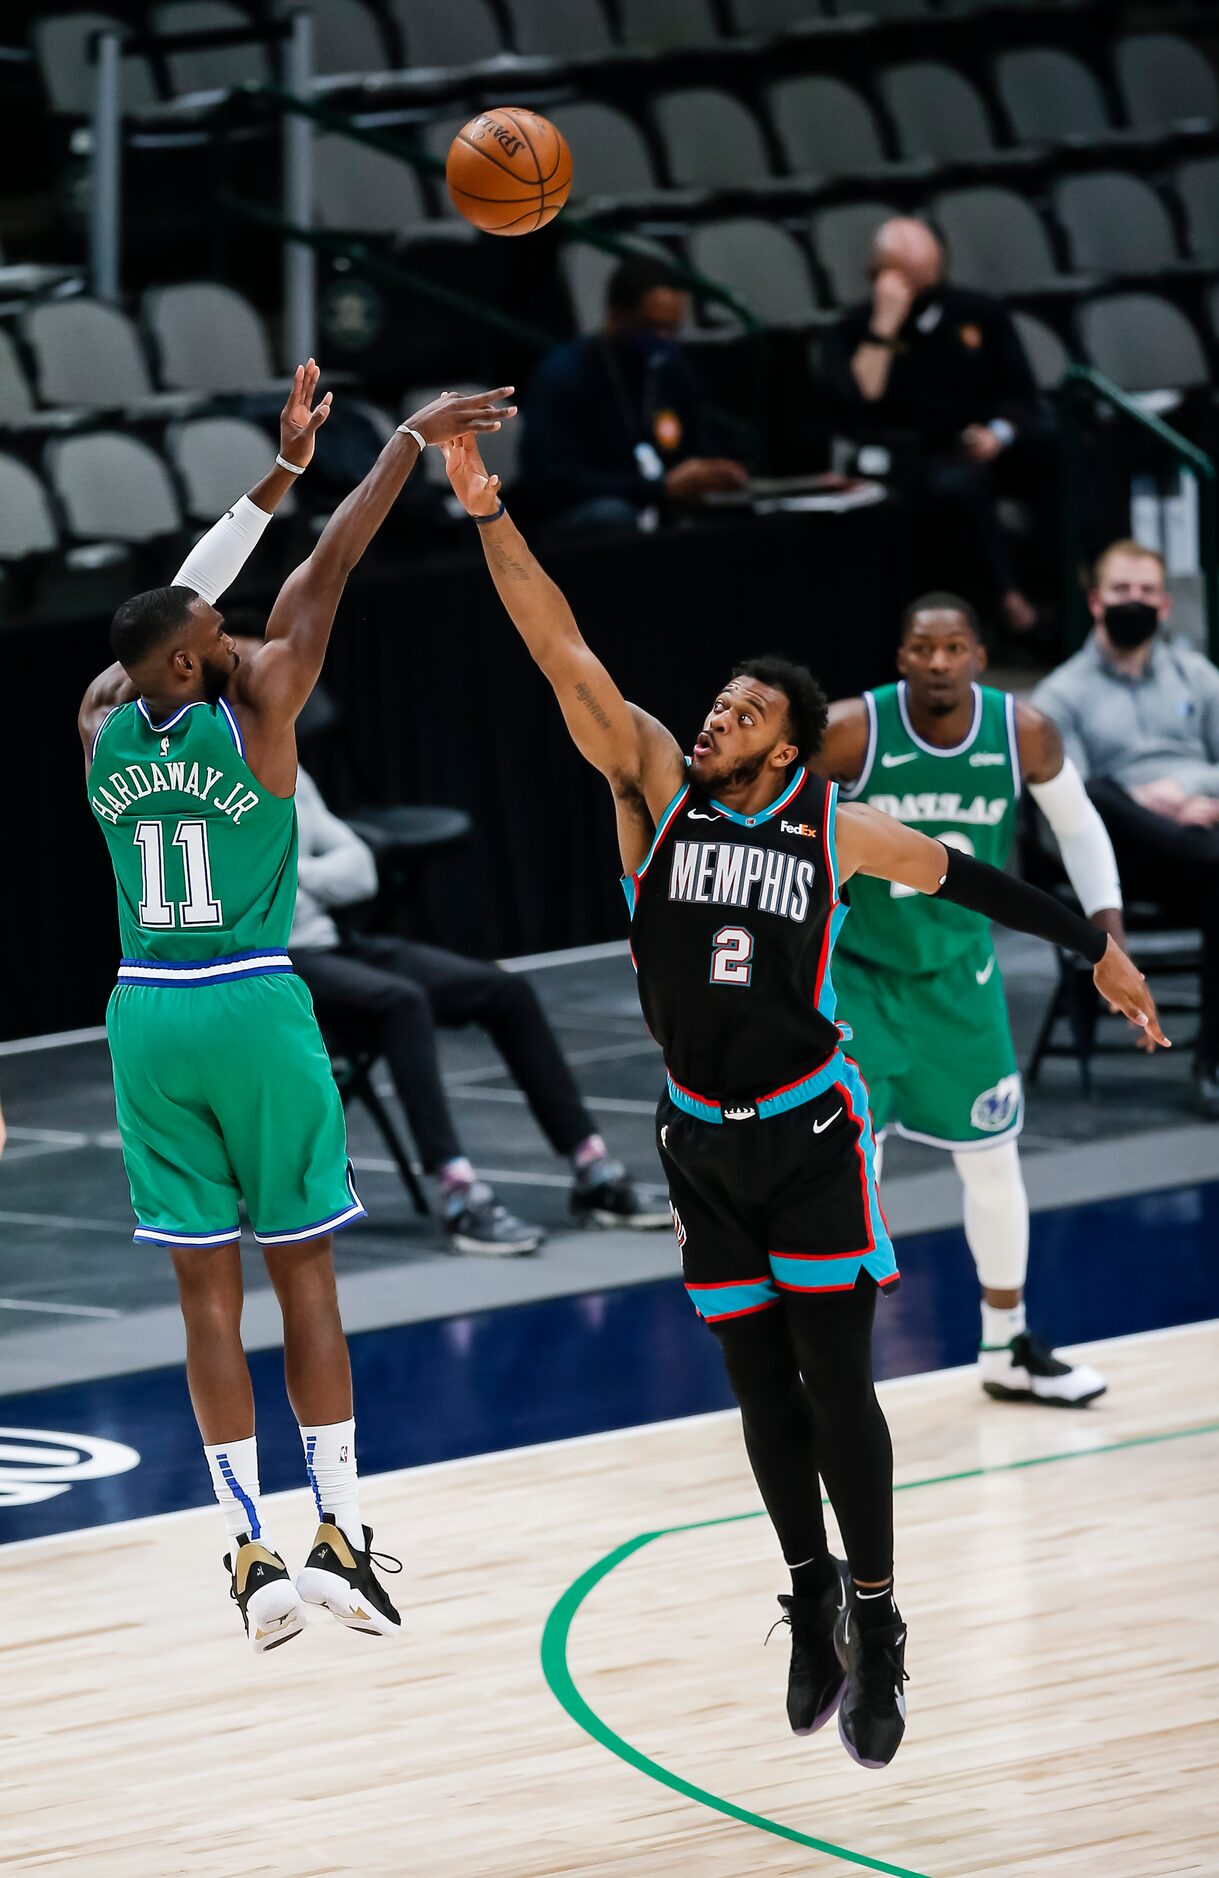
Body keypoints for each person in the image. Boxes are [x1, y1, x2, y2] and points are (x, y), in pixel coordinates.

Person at [439, 429, 1165, 1770]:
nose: (712, 714)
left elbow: (966, 877)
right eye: (712, 702)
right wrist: (485, 511)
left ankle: (881, 1624)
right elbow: (561, 649)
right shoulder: (650, 790)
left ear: (785, 745)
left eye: (740, 710)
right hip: (697, 1139)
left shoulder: (827, 829)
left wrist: (1095, 947)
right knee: (754, 1389)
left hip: (811, 1129)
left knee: (836, 1386)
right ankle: (808, 1587)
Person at [78, 366, 515, 1650]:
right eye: (212, 637)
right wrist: (396, 449)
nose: (235, 635)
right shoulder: (262, 708)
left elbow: (178, 603)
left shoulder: (102, 721)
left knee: (204, 1300)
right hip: (253, 1005)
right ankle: (336, 1529)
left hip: (145, 1012)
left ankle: (247, 1553)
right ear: (190, 659)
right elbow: (330, 562)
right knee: (305, 1275)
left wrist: (273, 470)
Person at [814, 593, 1134, 1405]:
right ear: (900, 659)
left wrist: (1107, 938)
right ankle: (834, 1370)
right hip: (861, 977)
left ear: (979, 658)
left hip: (960, 978)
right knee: (857, 1171)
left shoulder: (1021, 732)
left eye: (954, 648)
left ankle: (1006, 1346)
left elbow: (1080, 827)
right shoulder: (854, 730)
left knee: (993, 1166)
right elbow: (786, 829)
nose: (937, 663)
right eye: (922, 649)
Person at [281, 758, 668, 1251]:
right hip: (273, 964)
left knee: (506, 991)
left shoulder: (289, 770)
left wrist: (294, 867)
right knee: (403, 1003)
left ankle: (593, 1171)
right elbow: (253, 888)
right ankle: (459, 1191)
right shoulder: (217, 786)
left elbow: (360, 872)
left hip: (332, 940)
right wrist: (310, 872)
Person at [1032, 540, 1219, 1118]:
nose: (1132, 601)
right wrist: (1150, 801)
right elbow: (1075, 807)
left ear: (1164, 605)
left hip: (1201, 836)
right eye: (1121, 591)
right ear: (1095, 602)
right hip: (1120, 851)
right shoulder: (1061, 694)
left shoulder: (1196, 675)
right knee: (1100, 794)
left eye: (1144, 592)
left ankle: (1212, 1061)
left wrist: (1190, 794)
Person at [826, 218, 1047, 636]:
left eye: (930, 278)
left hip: (987, 442)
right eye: (909, 281)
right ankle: (1010, 601)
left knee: (1059, 448)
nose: (924, 293)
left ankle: (1083, 575)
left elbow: (1022, 394)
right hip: (913, 459)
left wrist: (997, 432)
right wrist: (884, 328)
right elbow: (859, 398)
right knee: (962, 485)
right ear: (878, 276)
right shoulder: (852, 329)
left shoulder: (979, 312)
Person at [519, 254, 747, 533]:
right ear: (616, 315)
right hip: (575, 517)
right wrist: (660, 489)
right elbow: (553, 482)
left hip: (656, 503)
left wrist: (713, 474)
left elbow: (696, 448)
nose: (663, 339)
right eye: (652, 327)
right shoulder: (564, 374)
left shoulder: (671, 369)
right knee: (612, 515)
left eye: (672, 329)